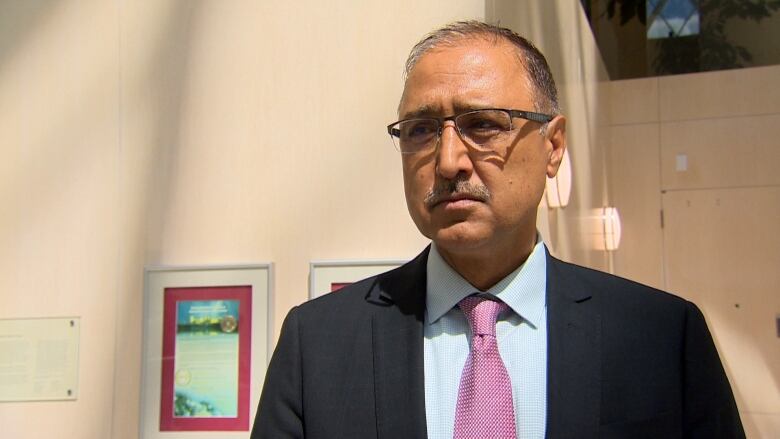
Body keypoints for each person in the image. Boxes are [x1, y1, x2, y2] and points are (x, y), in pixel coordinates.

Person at [251, 21, 744, 439]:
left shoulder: (662, 336)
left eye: (483, 124)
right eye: (421, 130)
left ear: (553, 147)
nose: (448, 162)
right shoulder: (317, 344)